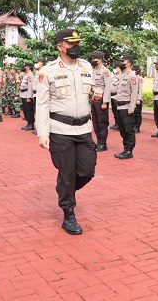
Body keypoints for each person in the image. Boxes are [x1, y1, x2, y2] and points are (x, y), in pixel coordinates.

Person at [36, 28, 96, 235]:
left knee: (87, 171)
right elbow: (42, 104)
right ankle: (68, 213)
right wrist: (42, 133)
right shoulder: (48, 71)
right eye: (71, 44)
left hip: (84, 129)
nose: (76, 47)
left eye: (78, 42)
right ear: (59, 47)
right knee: (67, 172)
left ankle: (65, 189)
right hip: (60, 130)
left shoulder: (86, 66)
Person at [111, 55, 138, 159]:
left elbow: (134, 92)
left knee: (129, 130)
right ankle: (125, 148)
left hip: (127, 107)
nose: (121, 63)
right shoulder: (120, 75)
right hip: (119, 106)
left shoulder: (132, 76)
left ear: (129, 63)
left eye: (123, 61)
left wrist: (132, 107)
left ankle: (129, 151)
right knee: (122, 129)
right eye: (120, 61)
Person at [90, 50, 112, 151]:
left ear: (100, 59)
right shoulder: (92, 70)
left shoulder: (105, 71)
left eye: (95, 58)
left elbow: (108, 87)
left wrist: (105, 102)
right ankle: (98, 141)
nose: (93, 60)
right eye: (92, 58)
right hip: (94, 98)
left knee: (102, 121)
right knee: (95, 121)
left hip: (101, 99)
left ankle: (103, 143)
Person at [20, 62, 35, 131]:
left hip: (27, 94)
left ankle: (31, 124)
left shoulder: (30, 75)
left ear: (28, 67)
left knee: (29, 110)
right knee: (25, 110)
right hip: (23, 94)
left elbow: (30, 86)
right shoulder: (26, 75)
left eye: (24, 66)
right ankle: (28, 123)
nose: (23, 68)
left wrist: (29, 96)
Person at [109, 63, 121, 131]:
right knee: (114, 111)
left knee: (117, 111)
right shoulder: (113, 75)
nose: (115, 69)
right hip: (112, 96)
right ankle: (116, 123)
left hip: (117, 96)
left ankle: (119, 124)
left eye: (116, 68)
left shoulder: (121, 76)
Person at [133, 64, 144, 133]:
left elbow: (140, 89)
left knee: (137, 113)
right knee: (133, 113)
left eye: (134, 69)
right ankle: (134, 126)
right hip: (132, 98)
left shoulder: (139, 78)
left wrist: (138, 99)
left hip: (137, 97)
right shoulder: (132, 77)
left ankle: (137, 127)